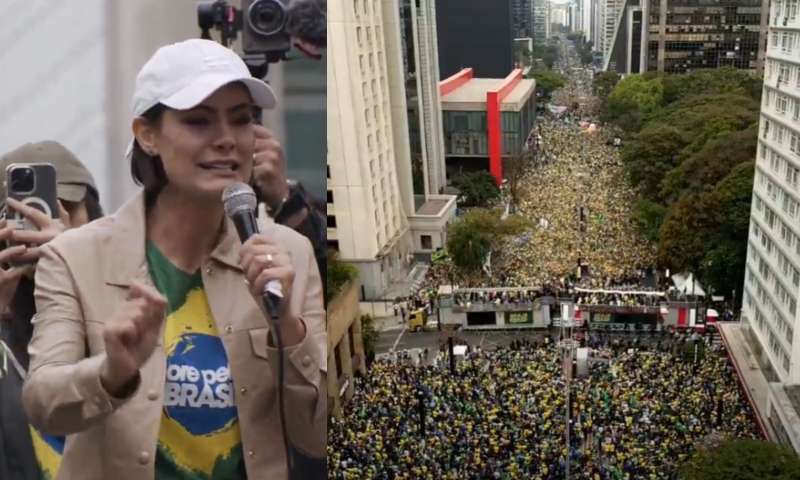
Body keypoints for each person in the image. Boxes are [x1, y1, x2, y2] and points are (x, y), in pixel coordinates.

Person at [21, 39, 326, 480]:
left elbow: (315, 437)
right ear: (147, 135)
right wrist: (110, 374)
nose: (226, 140)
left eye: (242, 120)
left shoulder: (288, 255)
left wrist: (289, 330)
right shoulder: (73, 257)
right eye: (199, 121)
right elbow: (43, 403)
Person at [0, 141, 105, 480]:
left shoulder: (126, 299)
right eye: (22, 214)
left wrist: (74, 267)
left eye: (66, 208)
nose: (44, 222)